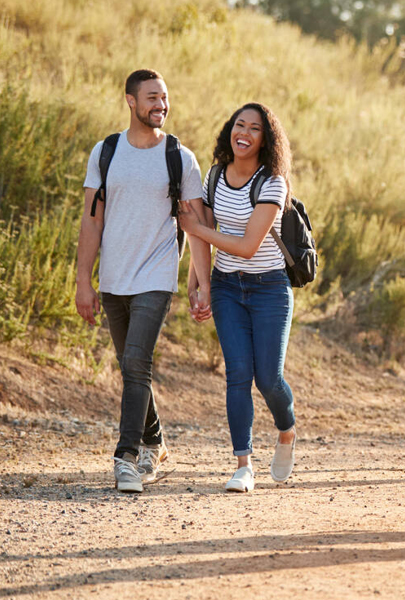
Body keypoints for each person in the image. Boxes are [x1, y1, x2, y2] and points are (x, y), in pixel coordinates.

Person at [76, 69, 205, 493]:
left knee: (137, 363)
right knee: (130, 366)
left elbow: (197, 224)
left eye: (165, 98)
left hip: (156, 274)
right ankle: (155, 440)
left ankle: (126, 457)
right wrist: (84, 282)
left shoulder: (180, 158)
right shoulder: (106, 151)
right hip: (114, 277)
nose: (161, 105)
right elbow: (92, 220)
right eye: (152, 98)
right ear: (130, 101)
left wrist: (198, 281)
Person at [178, 103, 298, 493]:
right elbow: (204, 234)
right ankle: (243, 465)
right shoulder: (214, 177)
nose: (243, 132)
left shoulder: (272, 183)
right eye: (238, 124)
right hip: (228, 286)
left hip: (269, 289)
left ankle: (286, 431)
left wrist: (195, 227)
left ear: (267, 139)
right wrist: (198, 284)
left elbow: (247, 246)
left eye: (254, 128)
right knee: (237, 375)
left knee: (268, 378)